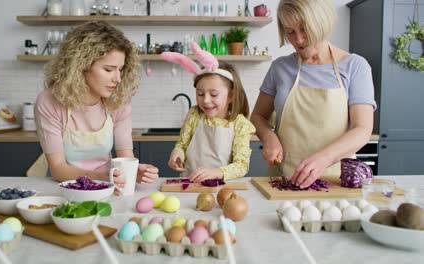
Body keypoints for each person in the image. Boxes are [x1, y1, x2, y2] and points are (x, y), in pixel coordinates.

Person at [251, 0, 376, 189]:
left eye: (305, 29)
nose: (298, 40)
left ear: (322, 24)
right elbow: (258, 116)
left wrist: (324, 159)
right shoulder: (280, 68)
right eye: (290, 32)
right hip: (283, 179)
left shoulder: (355, 66)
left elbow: (362, 129)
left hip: (336, 181)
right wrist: (268, 136)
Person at [34, 21, 159, 190]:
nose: (118, 79)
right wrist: (102, 178)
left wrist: (133, 171)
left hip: (107, 187)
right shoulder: (49, 102)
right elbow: (58, 169)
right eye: (108, 70)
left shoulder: (119, 101)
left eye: (120, 69)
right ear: (81, 66)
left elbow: (125, 158)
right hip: (64, 189)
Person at [162, 45, 255, 182]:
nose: (205, 100)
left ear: (231, 96)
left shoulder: (241, 125)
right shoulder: (194, 115)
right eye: (200, 94)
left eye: (213, 94)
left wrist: (216, 172)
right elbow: (182, 145)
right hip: (190, 183)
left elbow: (241, 165)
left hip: (222, 188)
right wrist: (177, 155)